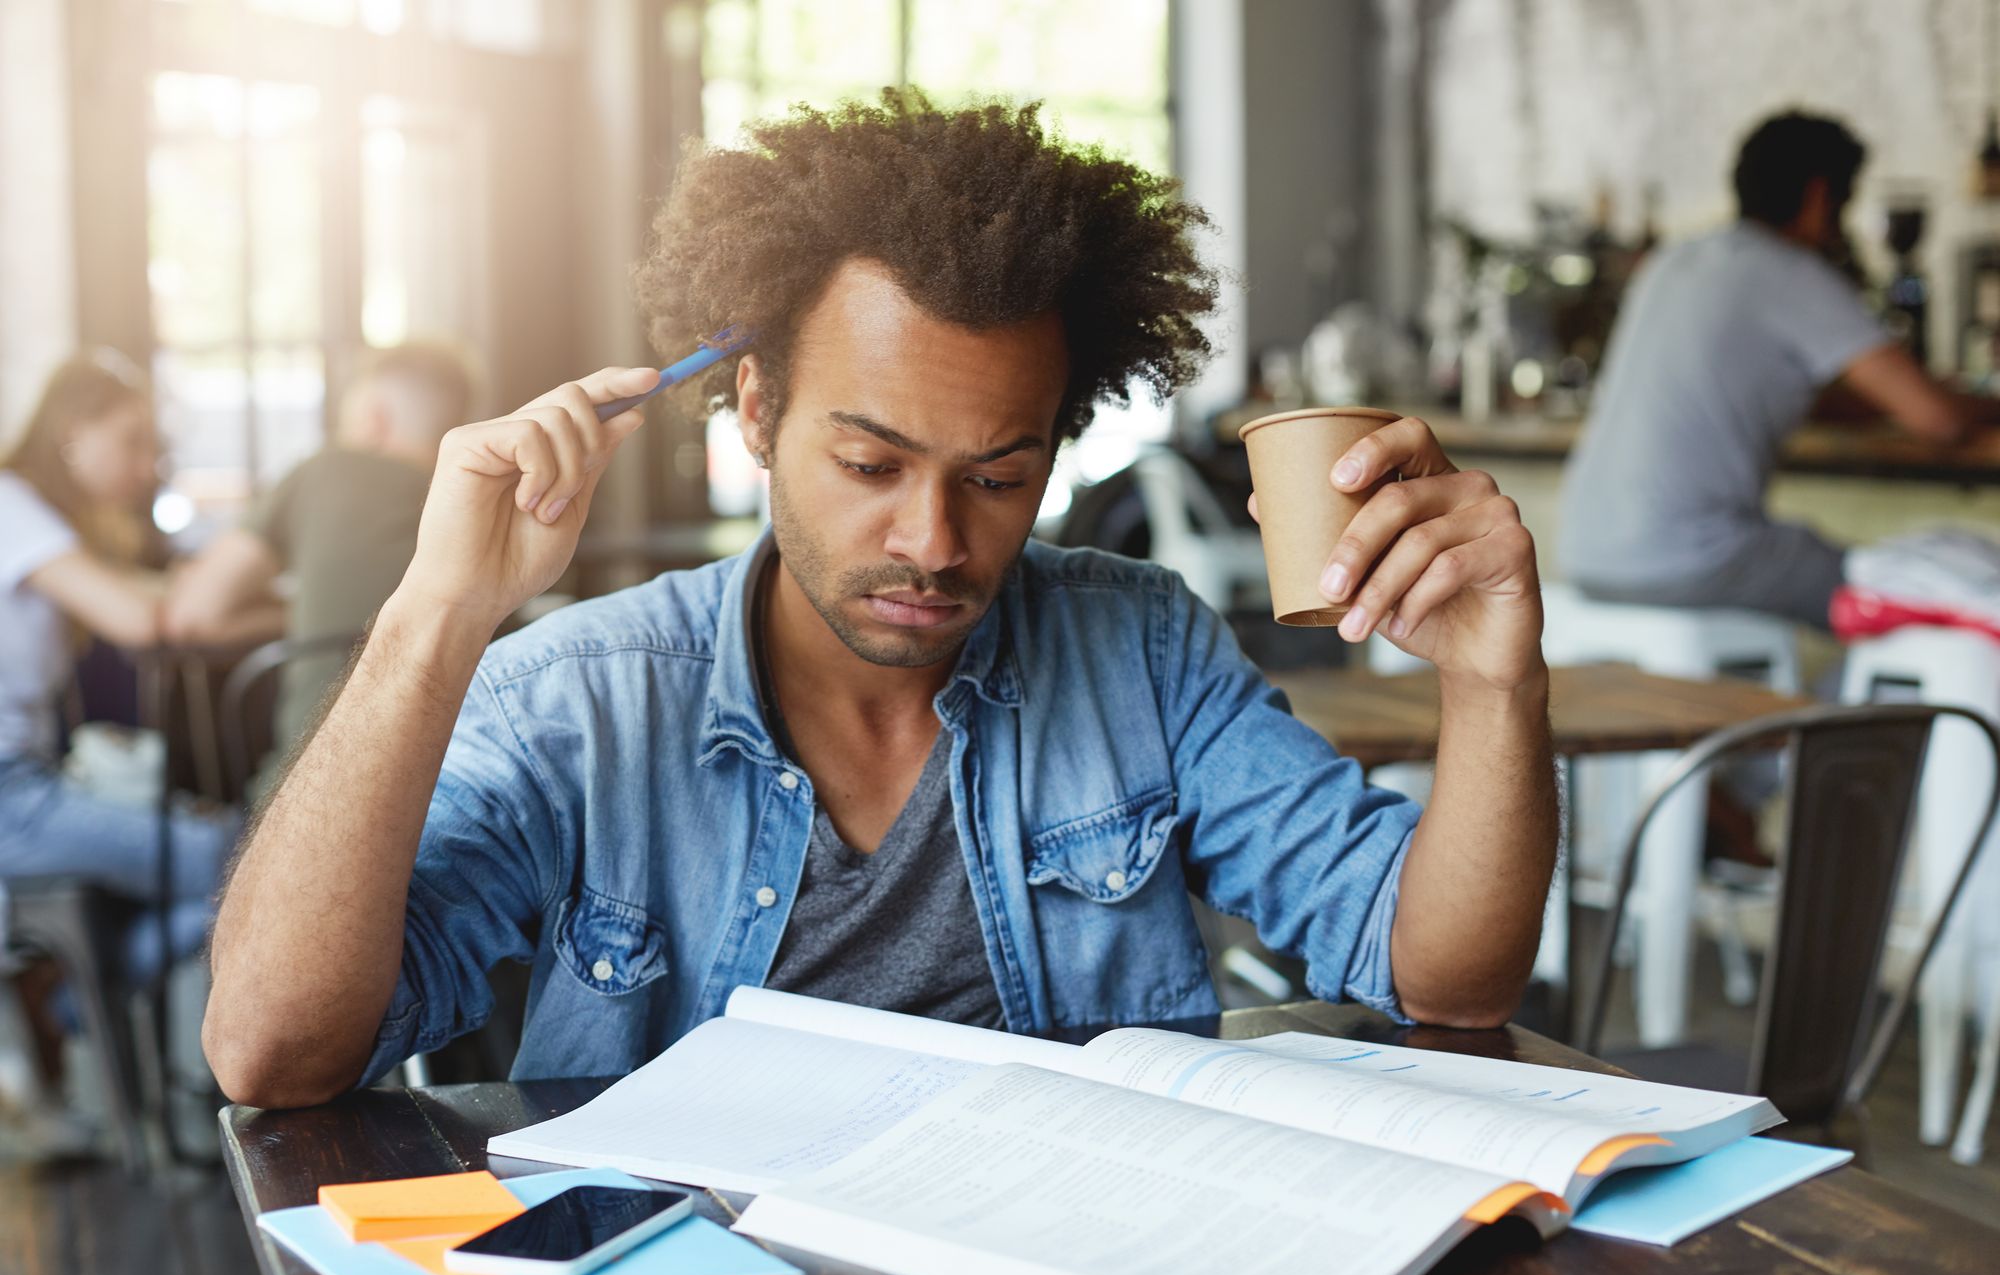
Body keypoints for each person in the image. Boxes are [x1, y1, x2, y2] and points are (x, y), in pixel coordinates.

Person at [203, 93, 1559, 1110]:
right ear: (754, 412)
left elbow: (1447, 979)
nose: (934, 539)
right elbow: (274, 1051)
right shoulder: (584, 699)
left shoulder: (1140, 650)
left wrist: (1494, 679)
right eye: (869, 462)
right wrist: (435, 613)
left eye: (1000, 473)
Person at [1559, 110, 2000, 629]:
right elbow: (1940, 420)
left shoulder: (1675, 261)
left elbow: (1788, 394)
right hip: (1692, 555)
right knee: (1904, 586)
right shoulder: (1791, 272)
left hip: (1583, 550)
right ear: (1818, 199)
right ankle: (1858, 708)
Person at [0, 351, 262, 1114]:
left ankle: (81, 995)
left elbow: (158, 599)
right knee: (248, 858)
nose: (147, 464)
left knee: (229, 857)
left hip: (30, 786)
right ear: (72, 434)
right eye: (133, 440)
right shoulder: (12, 504)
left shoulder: (42, 522)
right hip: (11, 797)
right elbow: (145, 620)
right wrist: (299, 615)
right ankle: (78, 1002)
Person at [166, 343, 476, 763]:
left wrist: (303, 615)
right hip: (472, 781)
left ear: (374, 419)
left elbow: (194, 615)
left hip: (314, 790)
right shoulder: (482, 501)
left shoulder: (331, 471)